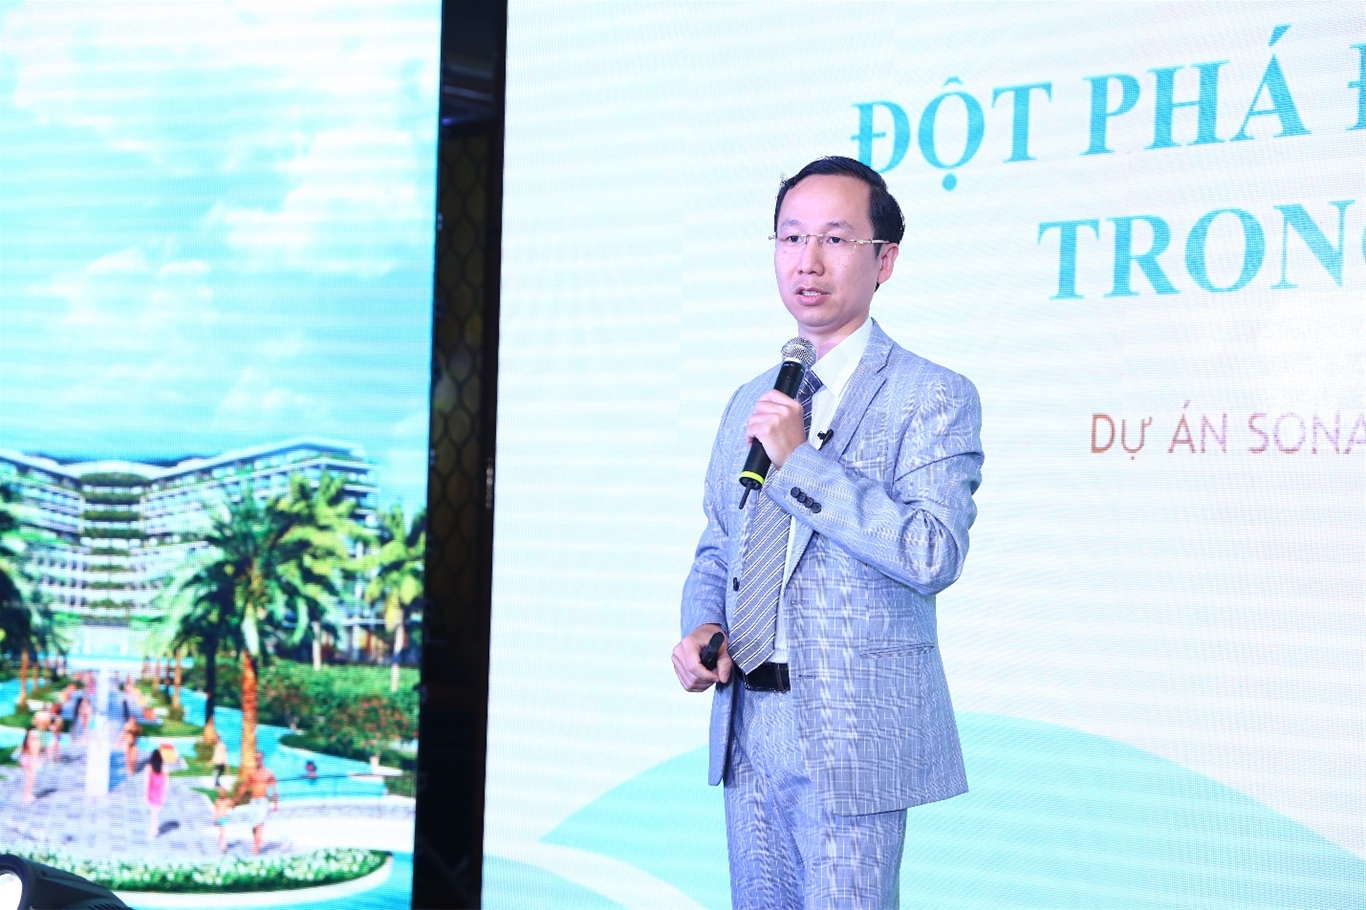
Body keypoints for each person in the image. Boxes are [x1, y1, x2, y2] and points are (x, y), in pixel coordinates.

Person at [672, 156, 983, 909]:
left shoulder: (932, 394)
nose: (807, 261)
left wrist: (801, 463)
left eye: (835, 239)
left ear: (885, 260)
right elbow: (719, 542)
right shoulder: (751, 399)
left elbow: (932, 551)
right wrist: (702, 624)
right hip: (748, 720)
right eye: (791, 237)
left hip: (854, 734)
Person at [232, 751, 279, 855]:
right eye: (256, 758)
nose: (257, 760)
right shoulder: (251, 773)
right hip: (253, 801)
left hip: (263, 802)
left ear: (262, 759)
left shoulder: (269, 773)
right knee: (253, 826)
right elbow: (245, 786)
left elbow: (274, 788)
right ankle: (257, 842)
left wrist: (276, 803)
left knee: (259, 824)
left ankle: (256, 849)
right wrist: (237, 800)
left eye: (259, 758)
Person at [145, 747, 169, 838]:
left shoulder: (149, 767)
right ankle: (155, 830)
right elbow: (166, 783)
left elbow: (147, 782)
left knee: (153, 814)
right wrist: (164, 795)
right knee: (155, 813)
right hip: (160, 793)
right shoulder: (164, 768)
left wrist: (146, 794)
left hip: (151, 792)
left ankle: (154, 831)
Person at [17, 728, 43, 804]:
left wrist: (20, 761)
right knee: (30, 779)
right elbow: (36, 754)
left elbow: (21, 751)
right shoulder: (36, 742)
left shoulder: (26, 741)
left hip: (25, 759)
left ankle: (25, 795)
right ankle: (27, 796)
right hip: (31, 760)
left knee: (28, 778)